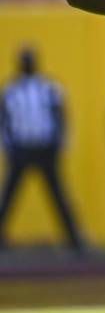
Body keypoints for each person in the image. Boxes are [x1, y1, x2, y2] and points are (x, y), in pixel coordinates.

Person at [0, 48, 83, 251]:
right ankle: (75, 240)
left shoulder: (48, 88)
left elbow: (60, 117)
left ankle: (75, 240)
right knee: (9, 195)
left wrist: (59, 144)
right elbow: (4, 122)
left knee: (58, 195)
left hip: (45, 148)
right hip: (21, 148)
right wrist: (8, 147)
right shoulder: (11, 90)